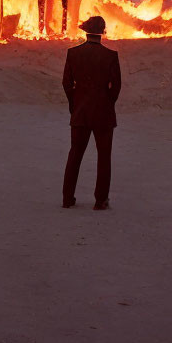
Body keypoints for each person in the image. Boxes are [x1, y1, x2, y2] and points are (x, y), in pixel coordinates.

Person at [61, 15, 121, 210]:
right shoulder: (111, 56)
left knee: (75, 154)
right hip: (103, 114)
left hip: (81, 112)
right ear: (103, 32)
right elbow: (116, 87)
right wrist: (107, 102)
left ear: (85, 31)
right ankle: (100, 200)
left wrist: (75, 104)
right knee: (104, 157)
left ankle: (67, 198)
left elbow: (66, 84)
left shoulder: (73, 53)